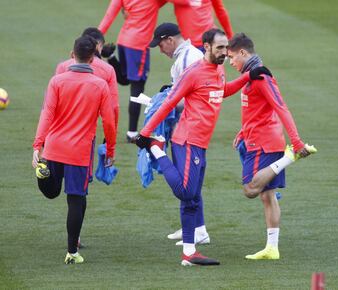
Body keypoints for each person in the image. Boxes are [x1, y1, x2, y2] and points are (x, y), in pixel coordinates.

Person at [135, 28, 272, 266]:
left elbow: (222, 91)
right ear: (206, 47)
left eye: (225, 48)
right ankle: (157, 149)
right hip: (186, 140)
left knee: (193, 199)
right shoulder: (194, 73)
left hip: (200, 143)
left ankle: (189, 253)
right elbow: (169, 103)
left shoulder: (218, 70)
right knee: (186, 192)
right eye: (219, 48)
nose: (224, 52)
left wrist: (249, 76)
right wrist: (146, 135)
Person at [227, 33, 317, 260]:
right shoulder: (250, 75)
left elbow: (281, 107)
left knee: (250, 189)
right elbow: (257, 109)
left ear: (243, 53)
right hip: (256, 137)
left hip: (264, 143)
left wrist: (296, 143)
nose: (230, 62)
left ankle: (290, 157)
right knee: (267, 196)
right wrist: (243, 130)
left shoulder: (261, 78)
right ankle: (272, 248)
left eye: (231, 57)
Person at [32, 35, 117, 264]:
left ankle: (42, 172)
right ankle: (72, 251)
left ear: (72, 55)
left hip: (53, 147)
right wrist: (110, 151)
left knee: (51, 192)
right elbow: (109, 122)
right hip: (78, 153)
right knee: (76, 199)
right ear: (92, 59)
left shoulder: (57, 80)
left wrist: (37, 145)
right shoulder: (99, 85)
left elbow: (47, 113)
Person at [149, 22, 209, 245]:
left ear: (169, 40)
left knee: (186, 185)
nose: (160, 50)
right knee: (192, 180)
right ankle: (197, 228)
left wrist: (162, 104)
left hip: (189, 129)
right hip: (191, 127)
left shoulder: (187, 59)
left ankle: (194, 234)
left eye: (160, 45)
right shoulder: (189, 56)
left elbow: (186, 99)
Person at [98, 0, 164, 142]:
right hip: (139, 45)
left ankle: (110, 56)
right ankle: (132, 133)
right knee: (137, 88)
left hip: (124, 40)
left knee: (126, 78)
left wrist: (93, 39)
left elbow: (109, 16)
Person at [56, 27, 119, 132]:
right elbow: (113, 108)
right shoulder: (107, 70)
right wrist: (110, 143)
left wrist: (42, 139)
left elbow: (50, 107)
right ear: (98, 45)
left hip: (58, 132)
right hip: (85, 134)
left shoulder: (62, 67)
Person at [169, 0, 233, 51]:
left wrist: (230, 37)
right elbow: (220, 11)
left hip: (209, 41)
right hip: (191, 45)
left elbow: (220, 11)